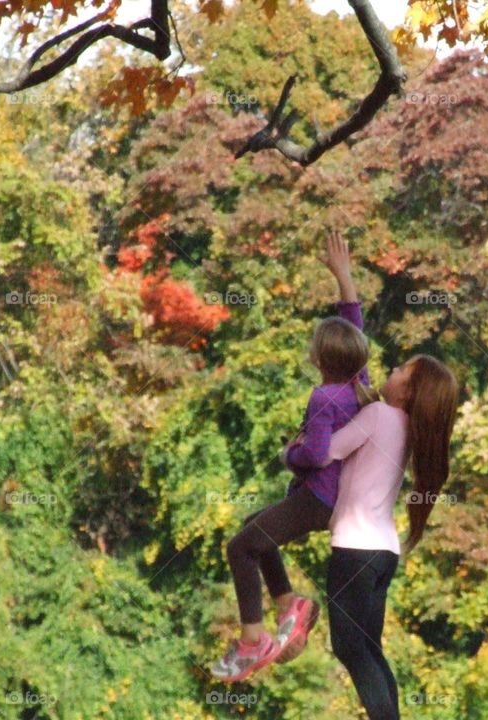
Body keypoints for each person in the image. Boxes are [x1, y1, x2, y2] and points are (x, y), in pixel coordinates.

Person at [211, 229, 375, 682]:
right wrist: (343, 277)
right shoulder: (358, 383)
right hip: (328, 500)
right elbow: (354, 325)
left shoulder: (323, 396)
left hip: (317, 499)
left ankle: (252, 640)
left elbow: (317, 454)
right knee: (253, 532)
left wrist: (291, 454)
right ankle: (289, 604)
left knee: (239, 547)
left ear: (320, 358)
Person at [289, 354, 459, 719]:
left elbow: (325, 453)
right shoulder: (406, 427)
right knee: (369, 650)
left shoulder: (380, 415)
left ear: (407, 391)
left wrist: (295, 445)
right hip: (383, 553)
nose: (392, 371)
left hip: (355, 549)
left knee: (350, 648)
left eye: (401, 371)